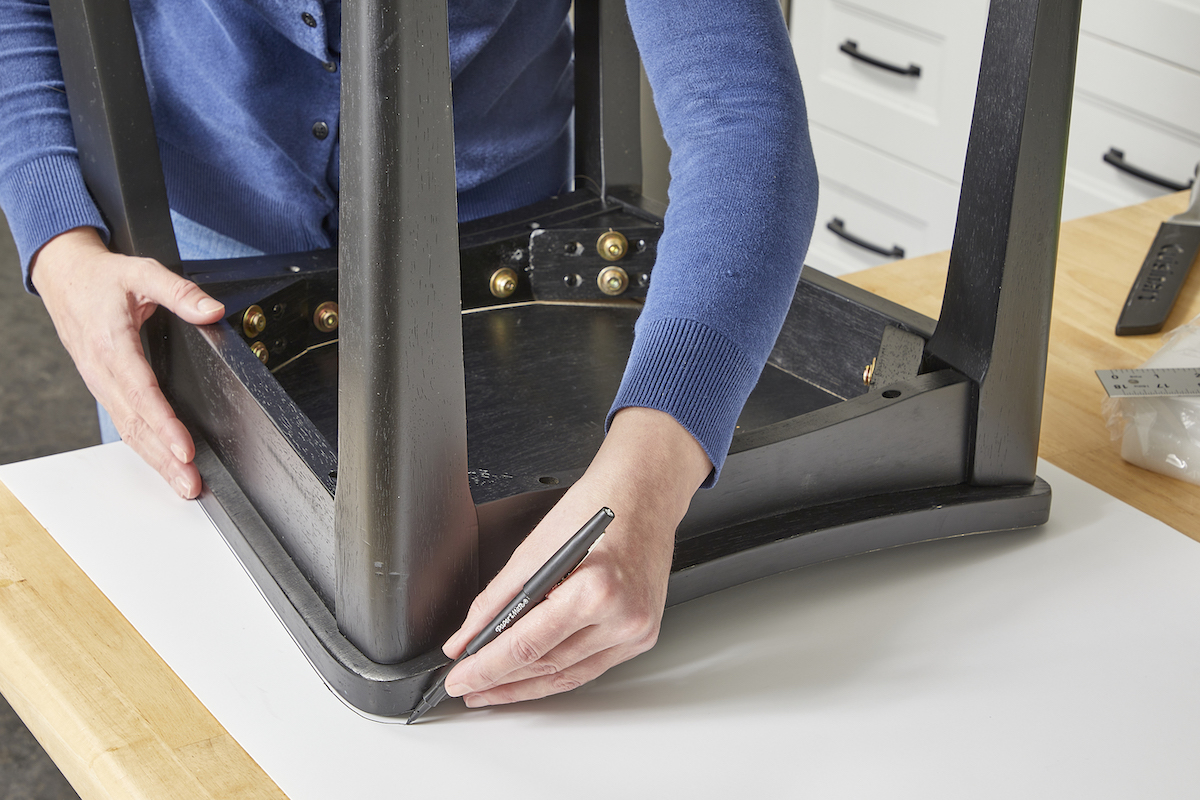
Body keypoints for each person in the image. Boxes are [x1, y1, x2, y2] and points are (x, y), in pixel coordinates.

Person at [0, 0, 817, 709]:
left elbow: (741, 116)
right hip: (187, 271)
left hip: (500, 282)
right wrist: (59, 246)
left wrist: (650, 475)